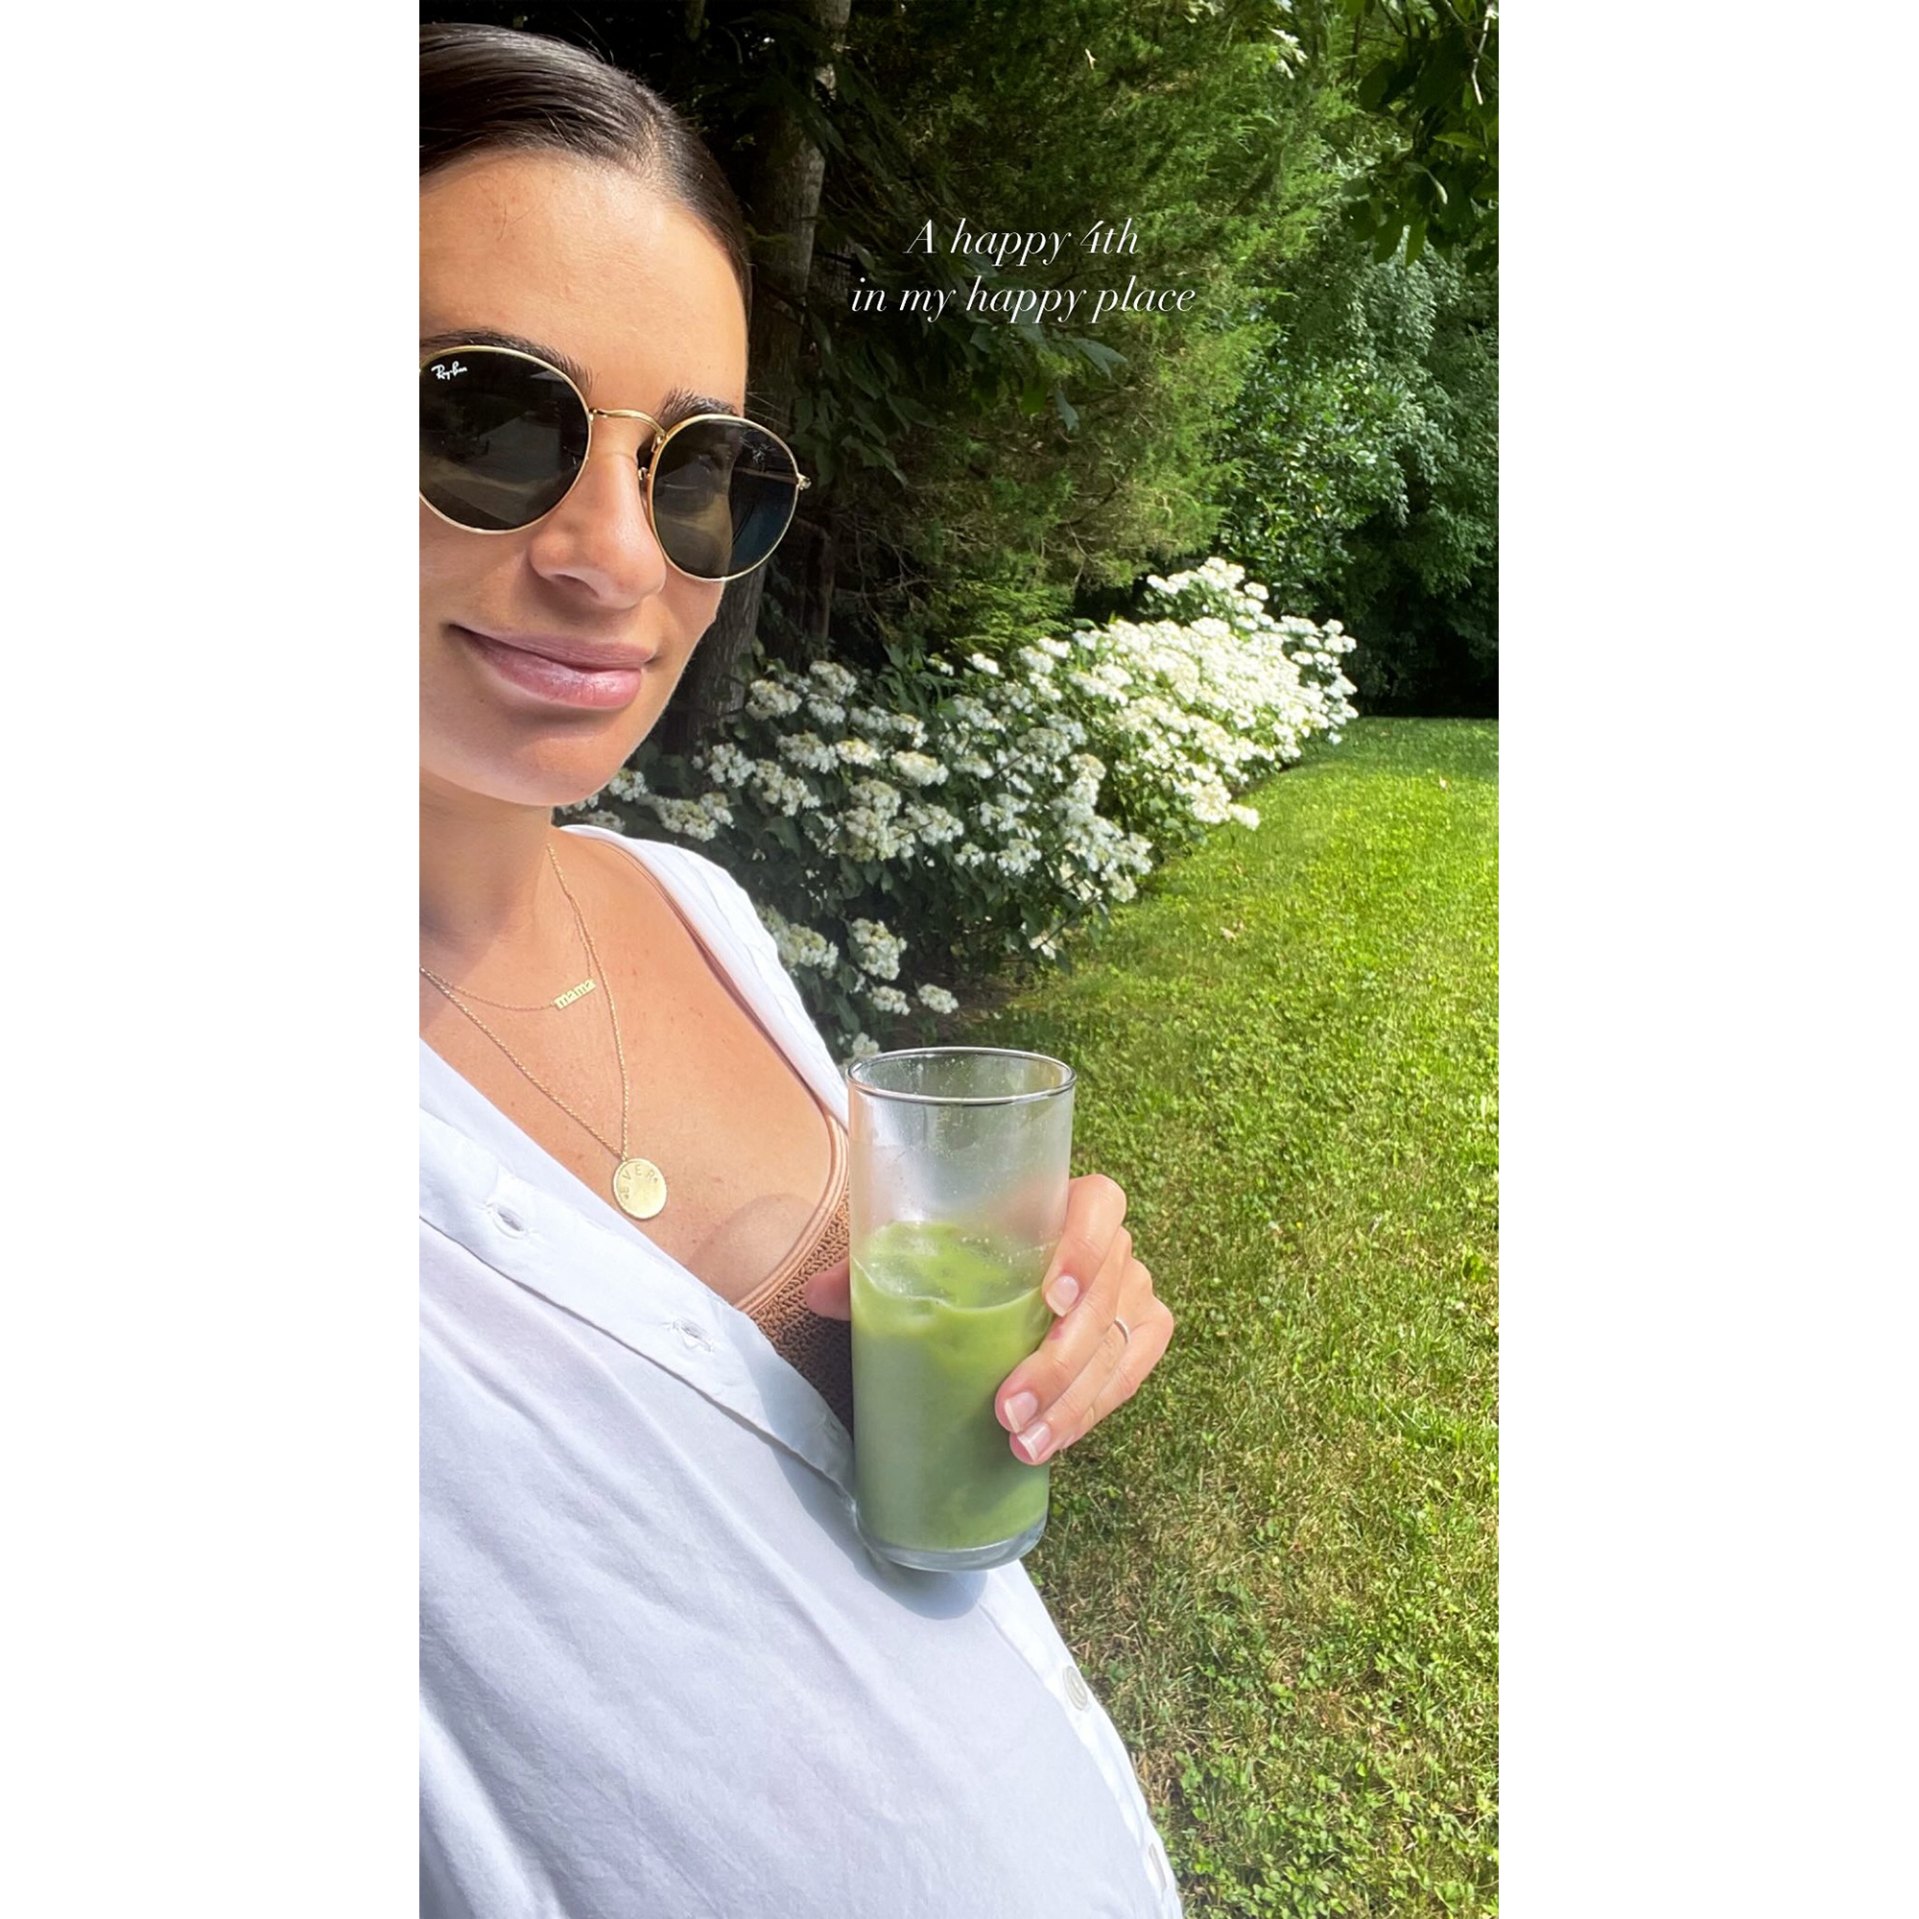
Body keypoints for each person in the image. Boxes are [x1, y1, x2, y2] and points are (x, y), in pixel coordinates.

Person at [418, 23, 1181, 1915]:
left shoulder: (695, 907)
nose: (620, 558)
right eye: (485, 422)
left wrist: (1037, 1300)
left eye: (700, 471)